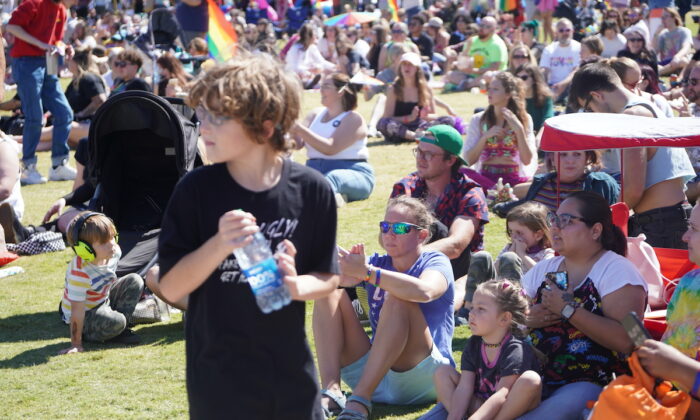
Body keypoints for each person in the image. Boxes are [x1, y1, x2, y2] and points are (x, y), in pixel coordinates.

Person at [157, 54, 339, 419]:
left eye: (217, 117)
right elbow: (172, 288)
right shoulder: (195, 191)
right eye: (202, 114)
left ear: (265, 127)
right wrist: (219, 244)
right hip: (219, 384)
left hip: (292, 382)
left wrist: (296, 285)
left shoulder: (312, 190)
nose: (202, 126)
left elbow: (329, 277)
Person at [313, 196, 455, 420]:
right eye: (385, 226)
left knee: (399, 298)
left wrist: (367, 273)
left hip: (424, 377)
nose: (390, 233)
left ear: (422, 235)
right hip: (378, 371)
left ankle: (359, 399)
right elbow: (336, 280)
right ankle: (332, 391)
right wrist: (336, 271)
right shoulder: (378, 262)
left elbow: (425, 291)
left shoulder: (435, 261)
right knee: (329, 291)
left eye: (400, 228)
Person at [518, 191, 647, 420]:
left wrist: (569, 310)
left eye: (566, 220)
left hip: (591, 383)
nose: (555, 227)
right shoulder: (545, 268)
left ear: (595, 230)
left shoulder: (618, 272)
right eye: (554, 219)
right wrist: (525, 318)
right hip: (530, 375)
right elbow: (511, 314)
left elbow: (631, 339)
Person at [569, 62, 695, 249]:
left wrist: (598, 221)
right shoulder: (646, 107)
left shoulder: (632, 116)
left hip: (662, 224)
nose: (592, 114)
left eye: (588, 108)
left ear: (596, 95)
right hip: (667, 218)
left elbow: (633, 189)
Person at [391, 124, 489, 299]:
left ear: (450, 160)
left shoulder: (470, 193)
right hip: (410, 265)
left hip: (457, 270)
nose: (420, 158)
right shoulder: (405, 187)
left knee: (433, 227)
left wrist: (408, 256)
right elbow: (387, 234)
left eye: (429, 154)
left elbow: (456, 245)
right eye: (418, 151)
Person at [428, 280, 542, 420]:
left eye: (481, 309)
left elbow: (502, 394)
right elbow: (464, 387)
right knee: (442, 372)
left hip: (510, 407)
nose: (471, 314)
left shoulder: (515, 349)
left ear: (504, 318)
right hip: (482, 404)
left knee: (531, 380)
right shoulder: (474, 344)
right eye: (472, 307)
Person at [6, 0, 78, 185]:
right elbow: (12, 27)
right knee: (34, 117)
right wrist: (41, 44)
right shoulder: (34, 3)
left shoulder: (62, 10)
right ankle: (27, 168)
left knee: (64, 113)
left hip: (48, 62)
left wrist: (65, 46)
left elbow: (55, 40)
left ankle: (58, 166)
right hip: (26, 62)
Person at [58, 211, 145, 355]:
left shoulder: (114, 252)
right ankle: (102, 331)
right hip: (85, 313)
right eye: (104, 242)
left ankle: (119, 329)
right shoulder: (80, 272)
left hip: (102, 300)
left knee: (135, 280)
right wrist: (76, 344)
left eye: (112, 237)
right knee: (118, 321)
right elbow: (77, 310)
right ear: (85, 249)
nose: (112, 244)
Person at [290, 73, 375, 205]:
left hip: (353, 173)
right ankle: (332, 197)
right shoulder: (314, 114)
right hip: (316, 171)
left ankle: (322, 200)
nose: (321, 90)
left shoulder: (353, 118)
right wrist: (289, 122)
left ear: (340, 92)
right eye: (321, 86)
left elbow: (331, 148)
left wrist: (299, 129)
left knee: (333, 178)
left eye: (326, 86)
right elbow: (296, 144)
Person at [465, 202, 555, 312]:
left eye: (519, 232)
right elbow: (495, 270)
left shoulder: (546, 253)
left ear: (538, 235)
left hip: (522, 296)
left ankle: (511, 310)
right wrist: (509, 253)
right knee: (481, 256)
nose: (514, 236)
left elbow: (542, 276)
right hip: (497, 289)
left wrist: (522, 255)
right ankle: (469, 307)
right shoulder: (509, 248)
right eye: (511, 231)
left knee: (510, 258)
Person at [463, 72, 537, 191]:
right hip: (485, 178)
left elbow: (527, 160)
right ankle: (500, 193)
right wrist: (484, 138)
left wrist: (519, 130)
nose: (489, 92)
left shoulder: (524, 119)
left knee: (538, 182)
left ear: (507, 94)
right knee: (460, 171)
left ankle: (500, 193)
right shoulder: (478, 119)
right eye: (489, 88)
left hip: (513, 180)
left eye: (495, 89)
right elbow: (468, 161)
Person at [495, 150, 620, 216]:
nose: (570, 161)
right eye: (563, 154)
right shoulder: (541, 183)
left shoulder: (599, 184)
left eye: (577, 154)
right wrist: (502, 208)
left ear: (587, 158)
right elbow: (526, 206)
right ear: (552, 158)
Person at [377, 52, 454, 143]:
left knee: (448, 120)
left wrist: (425, 116)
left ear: (417, 68)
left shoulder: (426, 88)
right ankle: (415, 136)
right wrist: (408, 118)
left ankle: (417, 136)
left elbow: (434, 115)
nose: (407, 67)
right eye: (404, 64)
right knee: (383, 123)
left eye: (410, 65)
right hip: (400, 127)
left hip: (420, 126)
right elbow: (388, 117)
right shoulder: (393, 89)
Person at [444, 16, 508, 91]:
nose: (482, 28)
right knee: (450, 75)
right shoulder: (472, 41)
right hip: (472, 75)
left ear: (493, 29)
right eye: (481, 25)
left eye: (486, 26)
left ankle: (465, 85)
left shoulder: (496, 44)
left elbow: (495, 67)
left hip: (490, 74)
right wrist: (461, 62)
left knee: (488, 76)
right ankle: (471, 84)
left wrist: (474, 70)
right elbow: (463, 64)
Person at [609, 57, 674, 117]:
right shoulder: (606, 106)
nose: (638, 88)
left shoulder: (658, 102)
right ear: (618, 84)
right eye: (634, 84)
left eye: (640, 80)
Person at [285, 23, 336, 89]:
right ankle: (306, 84)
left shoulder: (312, 48)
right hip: (294, 76)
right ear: (309, 36)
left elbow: (321, 61)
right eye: (314, 35)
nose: (316, 37)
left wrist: (334, 67)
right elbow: (294, 67)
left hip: (308, 76)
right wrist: (309, 71)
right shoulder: (296, 49)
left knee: (322, 82)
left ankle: (309, 84)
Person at [539, 19, 580, 97]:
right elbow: (544, 70)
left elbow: (576, 71)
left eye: (568, 30)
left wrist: (563, 84)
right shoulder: (549, 49)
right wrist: (543, 86)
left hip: (572, 87)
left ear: (572, 31)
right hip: (552, 86)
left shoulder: (579, 48)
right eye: (561, 30)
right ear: (556, 33)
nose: (565, 33)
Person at [514, 64, 554, 134]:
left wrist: (539, 137)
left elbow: (548, 120)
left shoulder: (545, 97)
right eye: (517, 78)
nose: (520, 81)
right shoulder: (513, 98)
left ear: (534, 80)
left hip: (539, 135)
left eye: (524, 78)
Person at [654, 7, 692, 76]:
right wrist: (656, 34)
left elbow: (686, 47)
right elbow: (655, 51)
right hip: (666, 63)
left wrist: (677, 57)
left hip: (678, 60)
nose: (663, 20)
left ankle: (658, 72)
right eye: (662, 17)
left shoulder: (684, 31)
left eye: (665, 17)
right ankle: (662, 71)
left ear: (674, 17)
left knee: (683, 61)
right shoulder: (663, 34)